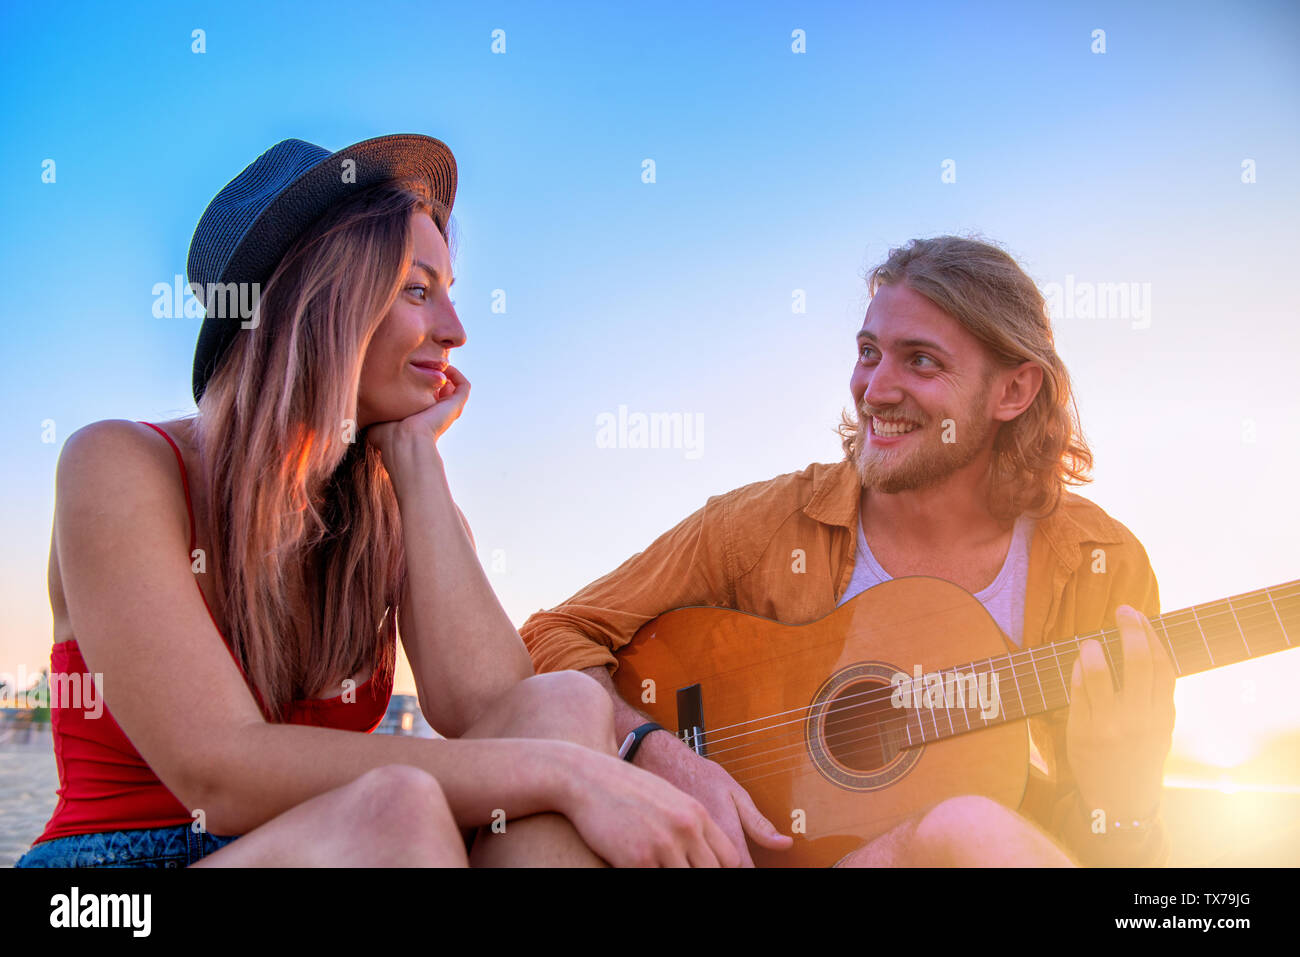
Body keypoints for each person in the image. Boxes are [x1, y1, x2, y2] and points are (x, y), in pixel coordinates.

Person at [16, 134, 735, 868]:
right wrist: (569, 773)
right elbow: (217, 772)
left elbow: (488, 705)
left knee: (567, 705)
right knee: (397, 813)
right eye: (418, 290)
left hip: (349, 843)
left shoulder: (387, 509)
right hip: (115, 876)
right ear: (321, 305)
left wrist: (416, 463)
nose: (455, 332)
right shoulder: (119, 465)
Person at [519, 235, 1177, 867]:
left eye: (920, 360)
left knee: (965, 827)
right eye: (869, 352)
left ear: (1014, 391)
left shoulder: (1102, 565)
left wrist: (1126, 805)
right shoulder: (761, 526)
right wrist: (655, 750)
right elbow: (553, 634)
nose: (875, 388)